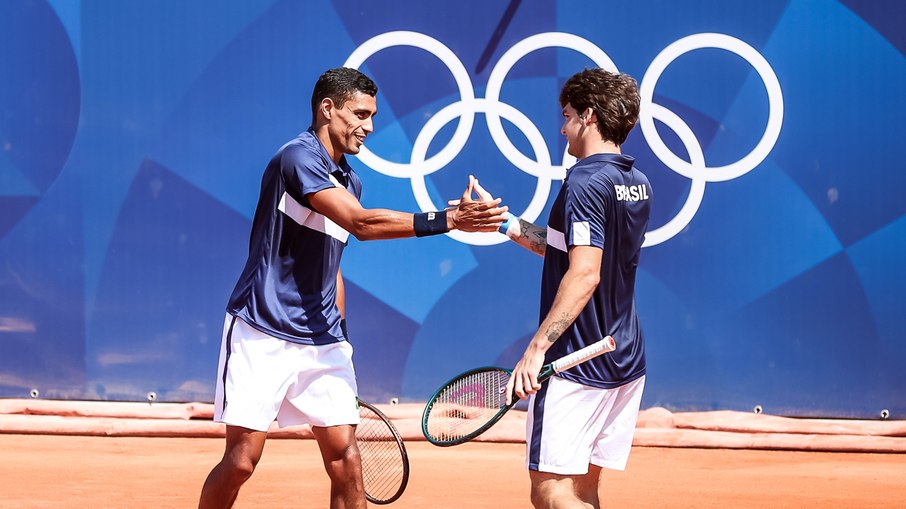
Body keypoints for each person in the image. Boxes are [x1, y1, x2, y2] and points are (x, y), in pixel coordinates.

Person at [198, 67, 508, 509]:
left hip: (323, 339)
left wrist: (339, 333)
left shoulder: (350, 180)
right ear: (328, 109)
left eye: (373, 115)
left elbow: (332, 264)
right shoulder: (297, 159)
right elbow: (361, 225)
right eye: (360, 114)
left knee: (346, 459)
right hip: (262, 328)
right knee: (242, 460)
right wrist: (450, 219)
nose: (370, 126)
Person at [494, 68, 652, 508]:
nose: (562, 128)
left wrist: (537, 348)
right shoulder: (635, 183)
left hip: (577, 362)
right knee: (583, 489)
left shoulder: (584, 180)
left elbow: (584, 273)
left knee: (551, 492)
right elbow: (567, 251)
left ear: (589, 116)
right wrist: (505, 224)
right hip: (623, 355)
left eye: (566, 116)